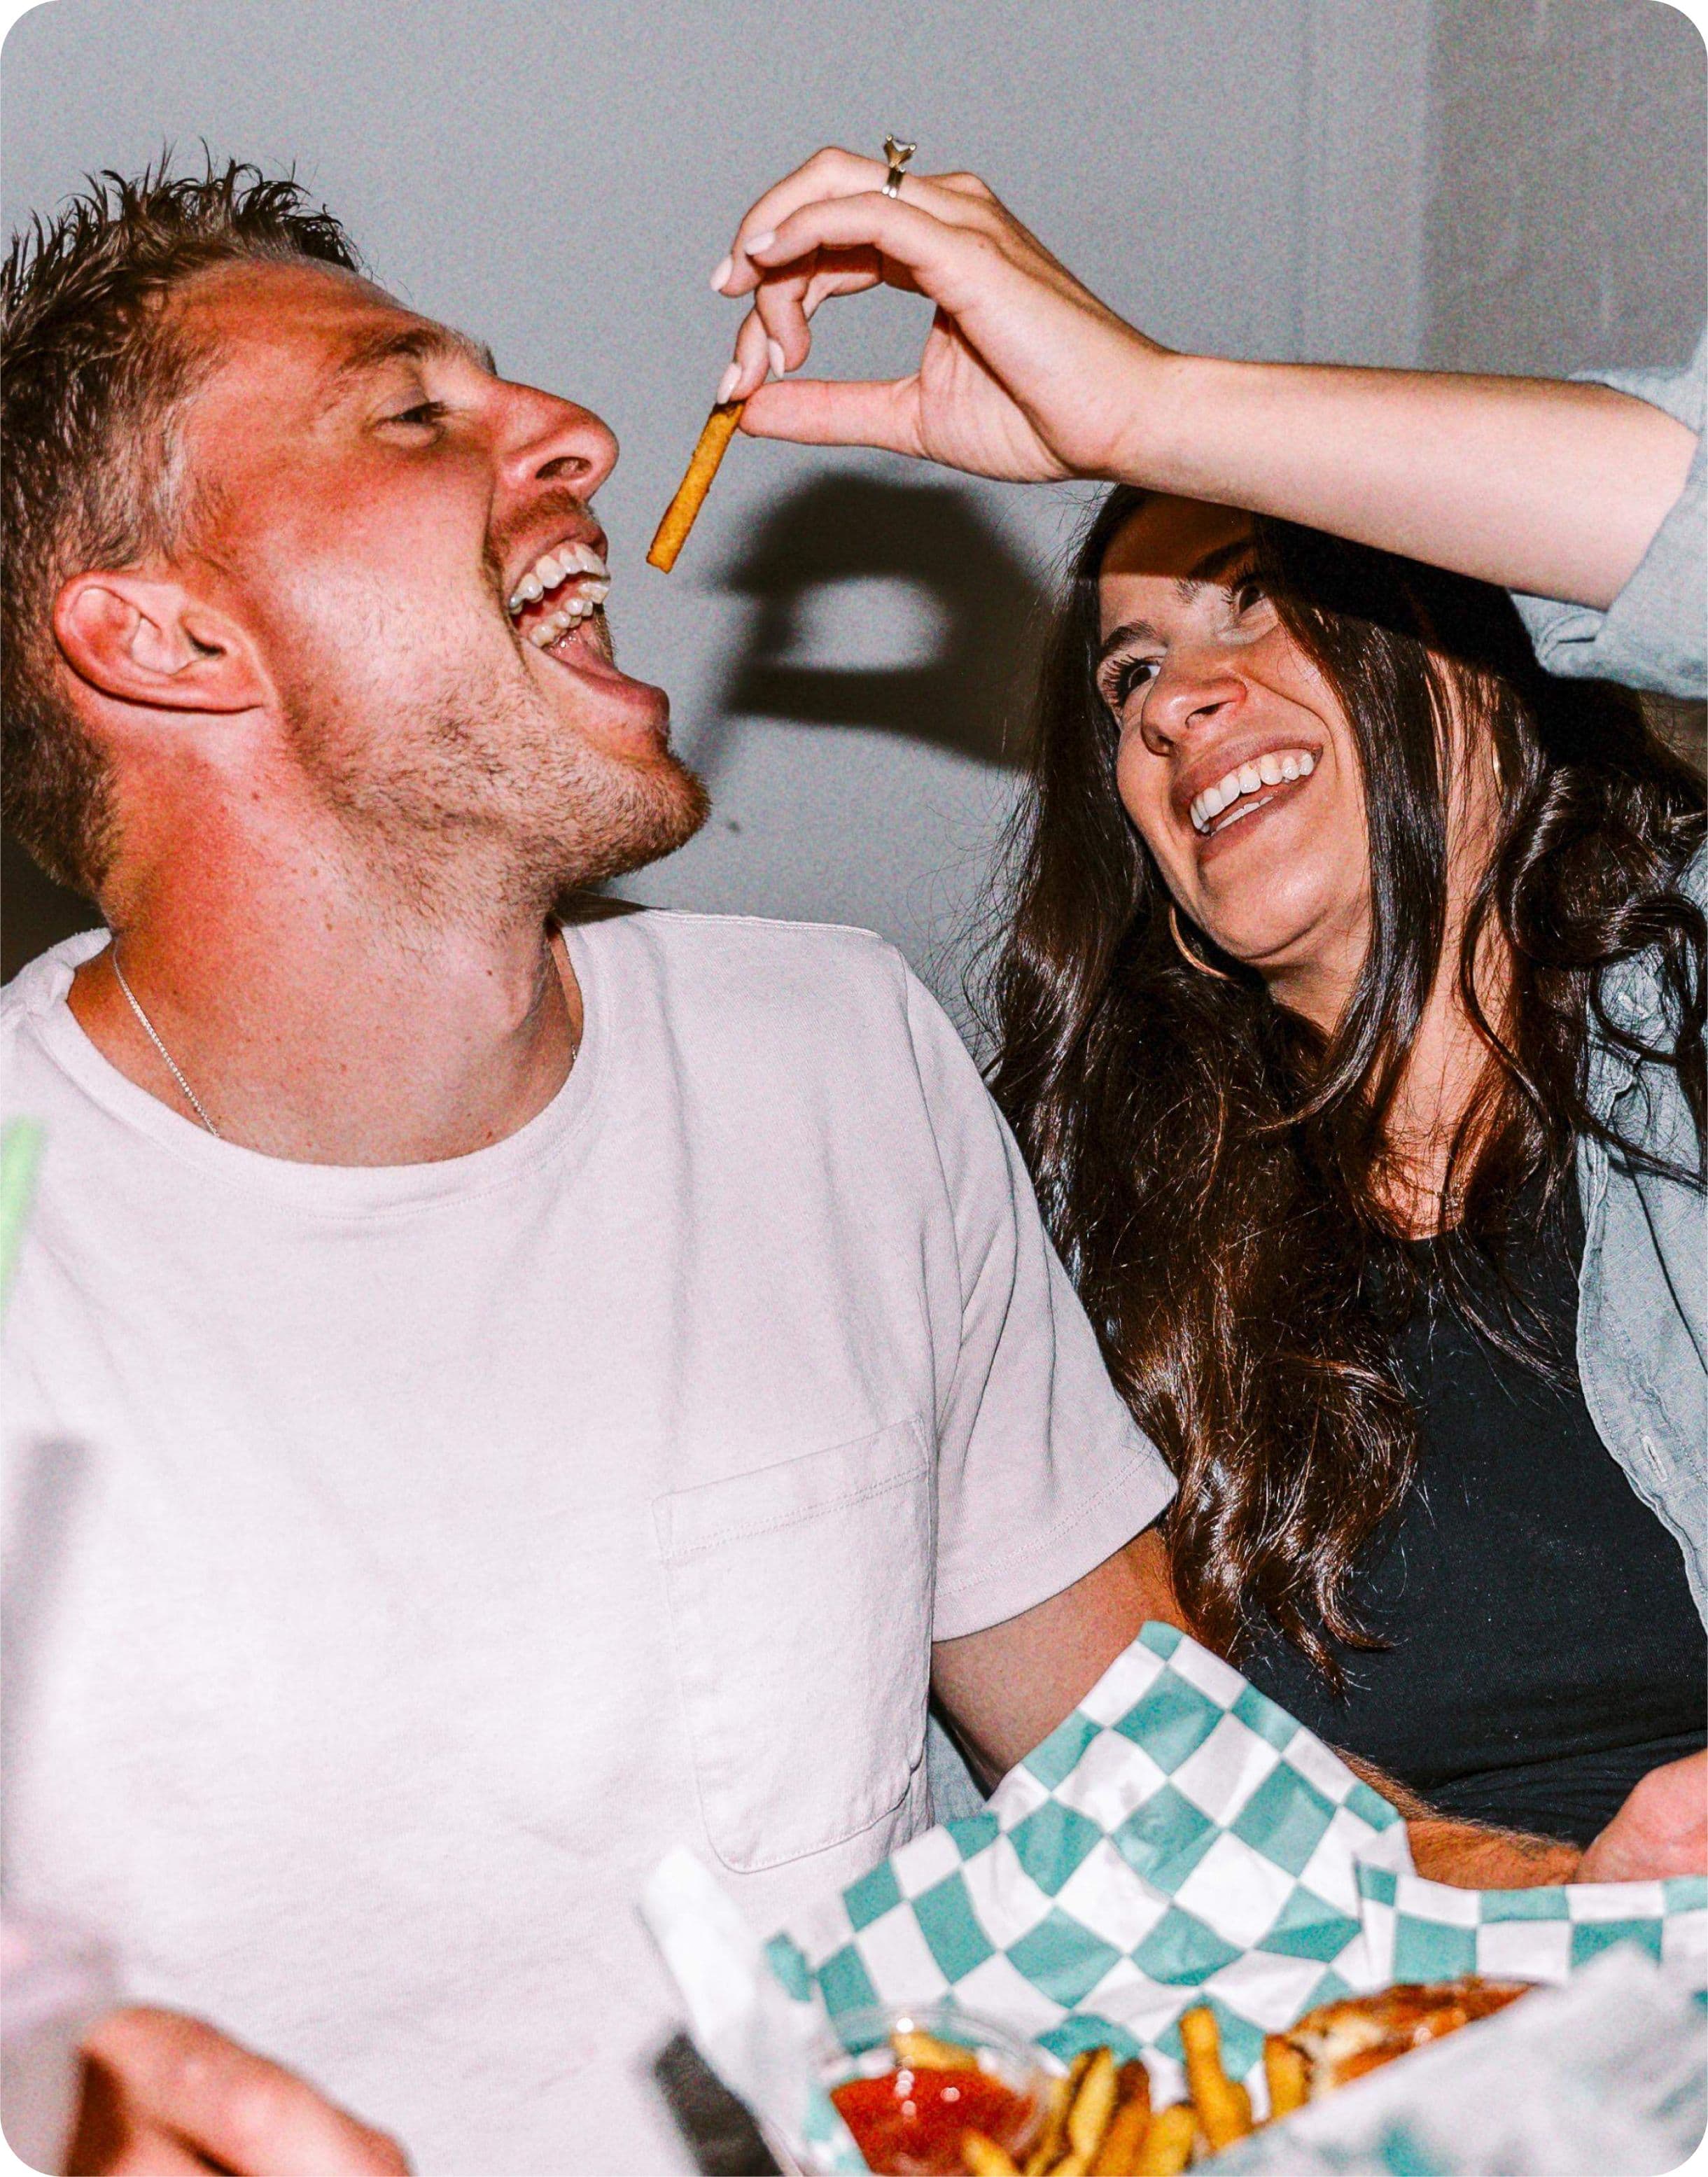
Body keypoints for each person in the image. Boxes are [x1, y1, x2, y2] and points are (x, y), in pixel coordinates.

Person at [0, 164, 1183, 2174]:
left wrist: (1581, 1914)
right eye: (410, 410)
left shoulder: (843, 1058)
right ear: (167, 635)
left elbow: (1152, 1812)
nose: (580, 433)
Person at [714, 148, 1705, 1883]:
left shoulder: (1679, 1022)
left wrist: (1147, 410)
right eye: (1127, 677)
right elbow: (1101, 1794)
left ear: (1468, 649)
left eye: (1250, 598)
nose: (1175, 700)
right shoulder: (1084, 1244)